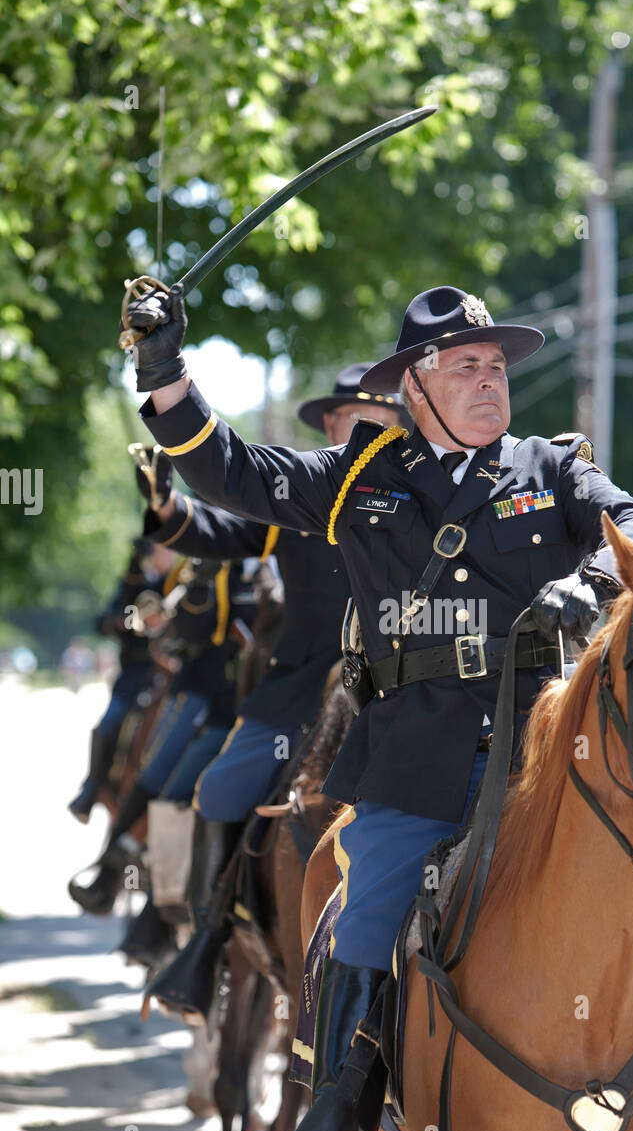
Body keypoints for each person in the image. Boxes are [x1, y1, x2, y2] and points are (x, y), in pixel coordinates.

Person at [123, 281, 633, 1131]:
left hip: (549, 754)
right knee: (371, 899)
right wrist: (162, 369)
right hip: (414, 763)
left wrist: (588, 577)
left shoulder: (548, 469)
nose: (487, 382)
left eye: (495, 367)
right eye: (464, 368)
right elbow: (227, 469)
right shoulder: (362, 479)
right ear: (415, 385)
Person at [139, 365, 406, 1021]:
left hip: (401, 690)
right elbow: (213, 532)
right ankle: (207, 937)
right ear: (330, 427)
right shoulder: (298, 490)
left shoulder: (418, 493)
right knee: (223, 788)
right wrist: (167, 506)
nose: (365, 427)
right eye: (350, 417)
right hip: (298, 692)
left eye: (381, 416)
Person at [68, 554, 257, 917]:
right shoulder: (198, 562)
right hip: (200, 685)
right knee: (152, 771)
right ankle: (112, 868)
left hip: (256, 693)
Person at [68, 539, 176, 823]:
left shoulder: (184, 584)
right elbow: (103, 622)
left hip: (181, 672)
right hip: (136, 673)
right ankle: (93, 786)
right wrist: (126, 620)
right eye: (160, 547)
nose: (165, 553)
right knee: (109, 724)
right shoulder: (136, 585)